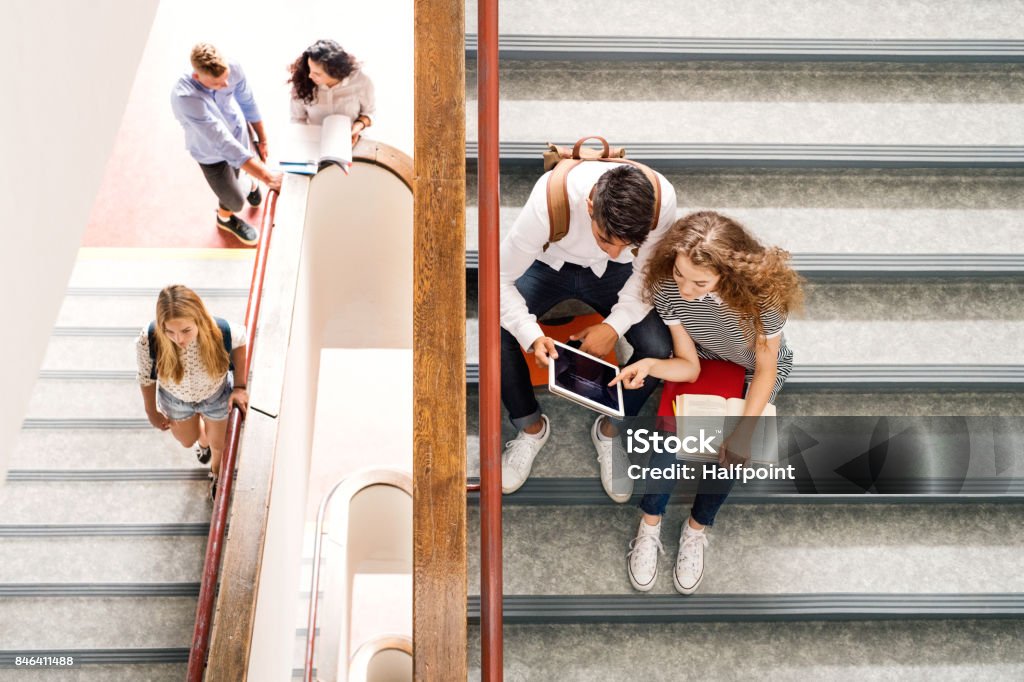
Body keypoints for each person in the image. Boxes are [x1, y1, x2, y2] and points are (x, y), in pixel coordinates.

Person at [611, 211, 803, 594]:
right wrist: (650, 364)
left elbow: (766, 369)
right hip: (708, 360)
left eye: (700, 282)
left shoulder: (762, 298)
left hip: (754, 370)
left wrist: (744, 433)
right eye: (680, 274)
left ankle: (696, 528)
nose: (685, 288)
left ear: (726, 276)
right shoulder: (669, 288)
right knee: (671, 440)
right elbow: (688, 366)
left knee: (732, 451)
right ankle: (649, 524)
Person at [500, 161, 677, 502]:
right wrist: (530, 334)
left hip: (617, 276)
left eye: (626, 243)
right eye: (606, 239)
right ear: (590, 205)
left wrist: (614, 326)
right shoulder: (549, 200)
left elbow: (646, 275)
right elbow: (499, 278)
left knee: (656, 347)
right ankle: (530, 428)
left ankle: (610, 431)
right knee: (497, 333)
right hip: (549, 264)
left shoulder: (662, 201)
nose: (613, 250)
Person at [136, 285, 249, 499]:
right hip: (176, 401)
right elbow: (145, 377)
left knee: (220, 445)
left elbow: (241, 341)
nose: (178, 339)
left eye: (186, 330)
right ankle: (202, 440)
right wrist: (151, 411)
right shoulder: (149, 338)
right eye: (170, 331)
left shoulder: (221, 331)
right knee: (188, 440)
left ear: (200, 319)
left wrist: (240, 387)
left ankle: (216, 474)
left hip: (216, 396)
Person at [171, 43, 283, 246]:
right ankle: (225, 219)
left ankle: (247, 182)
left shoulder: (233, 68)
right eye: (217, 84)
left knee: (239, 176)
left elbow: (248, 102)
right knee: (235, 201)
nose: (226, 85)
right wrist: (268, 177)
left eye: (226, 79)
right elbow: (221, 141)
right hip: (210, 153)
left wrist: (262, 138)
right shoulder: (185, 98)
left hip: (238, 136)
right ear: (197, 77)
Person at [289, 39, 376, 144]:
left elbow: (369, 113)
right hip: (315, 143)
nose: (310, 75)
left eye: (317, 73)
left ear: (334, 72)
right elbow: (298, 120)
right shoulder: (303, 83)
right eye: (309, 69)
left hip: (353, 141)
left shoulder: (360, 81)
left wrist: (357, 127)